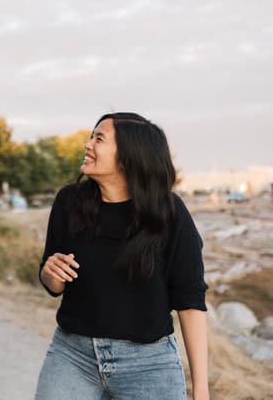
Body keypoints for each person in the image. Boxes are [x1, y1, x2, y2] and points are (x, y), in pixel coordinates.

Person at [35, 112, 209, 400]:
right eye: (91, 136)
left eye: (98, 138)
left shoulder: (169, 213)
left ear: (128, 156)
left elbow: (190, 301)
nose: (87, 144)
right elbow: (53, 284)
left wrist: (201, 389)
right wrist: (50, 273)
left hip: (149, 366)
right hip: (73, 357)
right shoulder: (69, 201)